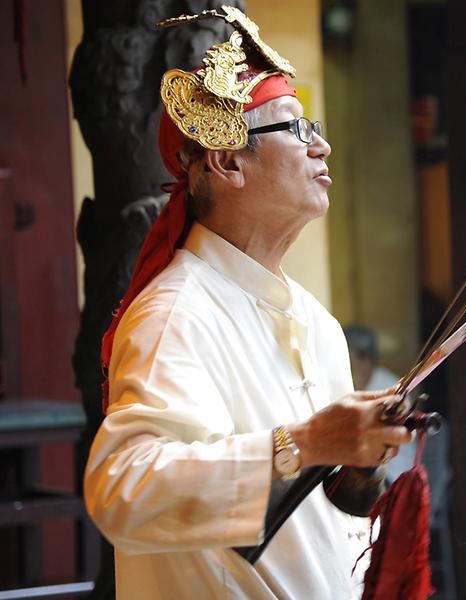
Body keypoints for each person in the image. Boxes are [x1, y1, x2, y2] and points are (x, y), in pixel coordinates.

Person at [83, 8, 412, 599]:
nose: (323, 145)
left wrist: (359, 460)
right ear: (228, 161)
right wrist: (304, 444)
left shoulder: (315, 322)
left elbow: (323, 524)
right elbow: (121, 490)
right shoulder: (175, 315)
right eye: (298, 129)